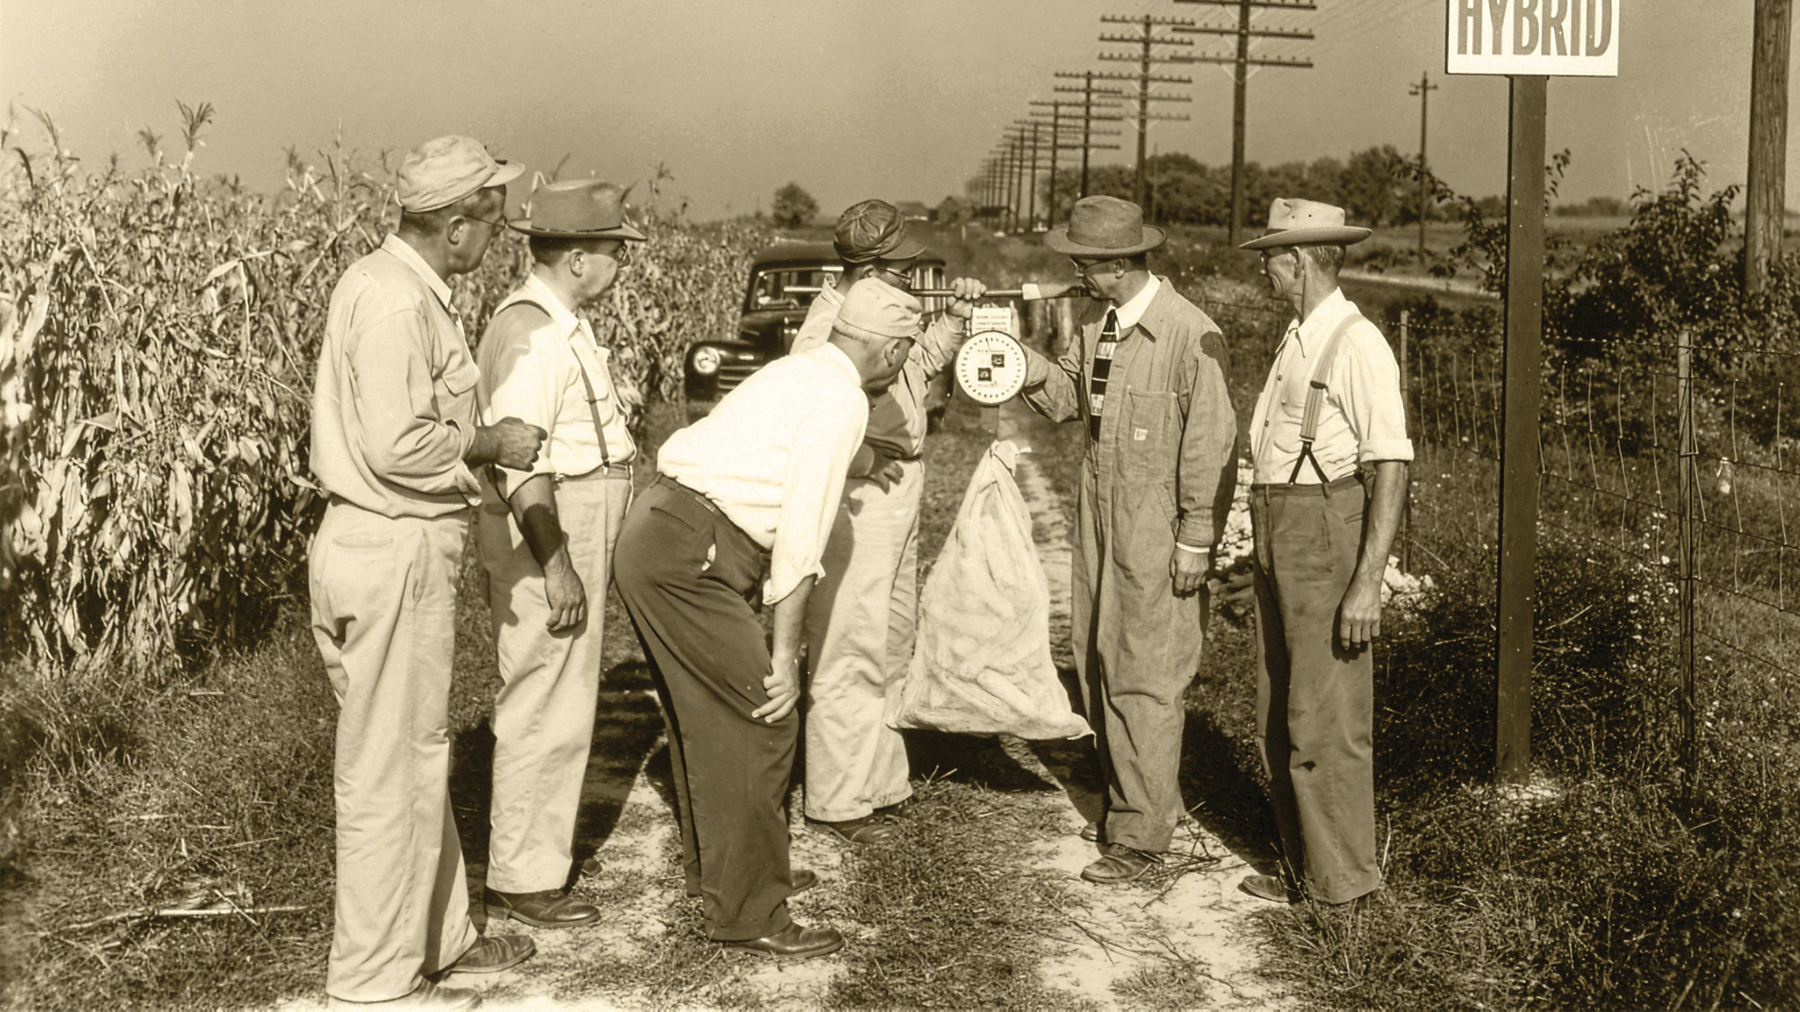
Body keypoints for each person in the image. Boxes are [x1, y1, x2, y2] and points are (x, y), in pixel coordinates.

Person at [613, 278, 921, 959]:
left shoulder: (799, 368)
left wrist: (862, 460)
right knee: (766, 718)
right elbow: (800, 541)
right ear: (895, 350)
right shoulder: (843, 401)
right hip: (692, 550)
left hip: (660, 531)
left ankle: (735, 873)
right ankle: (753, 910)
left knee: (705, 717)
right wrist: (784, 658)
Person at [309, 135, 541, 1010]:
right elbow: (398, 442)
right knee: (388, 768)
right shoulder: (398, 304)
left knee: (412, 752)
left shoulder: (390, 285)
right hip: (393, 544)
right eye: (493, 216)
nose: (501, 231)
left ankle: (441, 936)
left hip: (373, 544)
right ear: (455, 225)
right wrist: (494, 442)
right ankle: (373, 979)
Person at [1017, 195, 1237, 885]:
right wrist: (1007, 357)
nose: (1076, 273)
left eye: (1082, 263)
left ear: (1116, 264)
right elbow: (1065, 401)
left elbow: (1210, 443)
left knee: (1145, 674)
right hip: (1098, 513)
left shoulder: (1188, 335)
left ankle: (1142, 842)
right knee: (1097, 657)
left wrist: (1197, 535)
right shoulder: (1097, 327)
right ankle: (1123, 798)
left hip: (1156, 525)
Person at [474, 179, 646, 928]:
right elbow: (518, 462)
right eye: (614, 251)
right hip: (551, 521)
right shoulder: (533, 334)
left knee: (564, 697)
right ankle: (522, 877)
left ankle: (534, 862)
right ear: (578, 257)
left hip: (578, 509)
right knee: (544, 700)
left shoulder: (561, 321)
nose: (621, 264)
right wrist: (556, 560)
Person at [788, 199, 985, 845]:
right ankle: (837, 799)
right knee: (849, 645)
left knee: (891, 641)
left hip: (899, 485)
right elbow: (810, 417)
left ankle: (880, 782)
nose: (911, 276)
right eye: (901, 267)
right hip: (861, 500)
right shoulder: (826, 329)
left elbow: (919, 363)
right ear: (870, 267)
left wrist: (954, 320)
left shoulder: (878, 311)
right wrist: (867, 454)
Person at [1236, 198, 1412, 908]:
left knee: (1326, 715)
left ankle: (1344, 887)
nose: (1265, 270)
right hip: (1280, 521)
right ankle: (1304, 865)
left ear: (1302, 261)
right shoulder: (1299, 336)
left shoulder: (1356, 342)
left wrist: (1366, 585)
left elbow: (1392, 463)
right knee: (1280, 704)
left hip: (1320, 528)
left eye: (1271, 258)